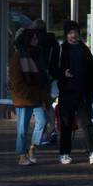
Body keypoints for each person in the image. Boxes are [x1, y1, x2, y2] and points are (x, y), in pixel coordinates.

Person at [50, 20, 93, 165]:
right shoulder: (61, 49)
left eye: (75, 32)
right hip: (67, 92)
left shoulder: (84, 49)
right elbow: (52, 69)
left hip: (83, 92)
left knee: (86, 122)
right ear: (66, 34)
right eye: (70, 33)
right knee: (66, 123)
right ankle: (64, 153)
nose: (73, 35)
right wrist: (63, 73)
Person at [9, 26, 49, 166]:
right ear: (27, 40)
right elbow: (16, 80)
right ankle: (21, 154)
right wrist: (27, 94)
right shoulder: (18, 57)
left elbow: (43, 77)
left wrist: (44, 97)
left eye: (36, 38)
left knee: (43, 121)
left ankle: (33, 147)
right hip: (24, 98)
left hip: (37, 96)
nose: (36, 40)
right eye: (33, 38)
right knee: (22, 128)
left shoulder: (38, 55)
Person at [32, 19, 60, 148]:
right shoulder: (54, 42)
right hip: (53, 77)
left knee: (40, 106)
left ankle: (43, 133)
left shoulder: (36, 43)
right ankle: (53, 130)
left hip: (40, 78)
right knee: (49, 105)